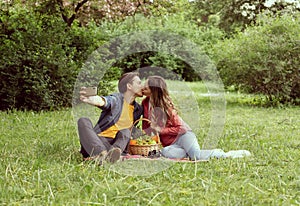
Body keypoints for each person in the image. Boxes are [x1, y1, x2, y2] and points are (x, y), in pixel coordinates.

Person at [142, 76, 251, 160]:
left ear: (153, 91)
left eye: (146, 87)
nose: (143, 87)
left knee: (196, 156)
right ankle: (188, 152)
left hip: (184, 136)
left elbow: (182, 129)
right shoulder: (145, 103)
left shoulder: (167, 107)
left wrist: (161, 130)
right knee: (165, 152)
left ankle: (227, 154)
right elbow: (146, 125)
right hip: (170, 143)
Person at [78, 72, 143, 164]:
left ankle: (112, 155)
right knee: (83, 121)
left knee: (126, 131)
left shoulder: (138, 109)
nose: (142, 86)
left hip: (117, 145)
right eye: (139, 83)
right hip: (97, 142)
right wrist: (94, 100)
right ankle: (102, 153)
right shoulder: (117, 99)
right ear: (129, 86)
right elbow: (106, 101)